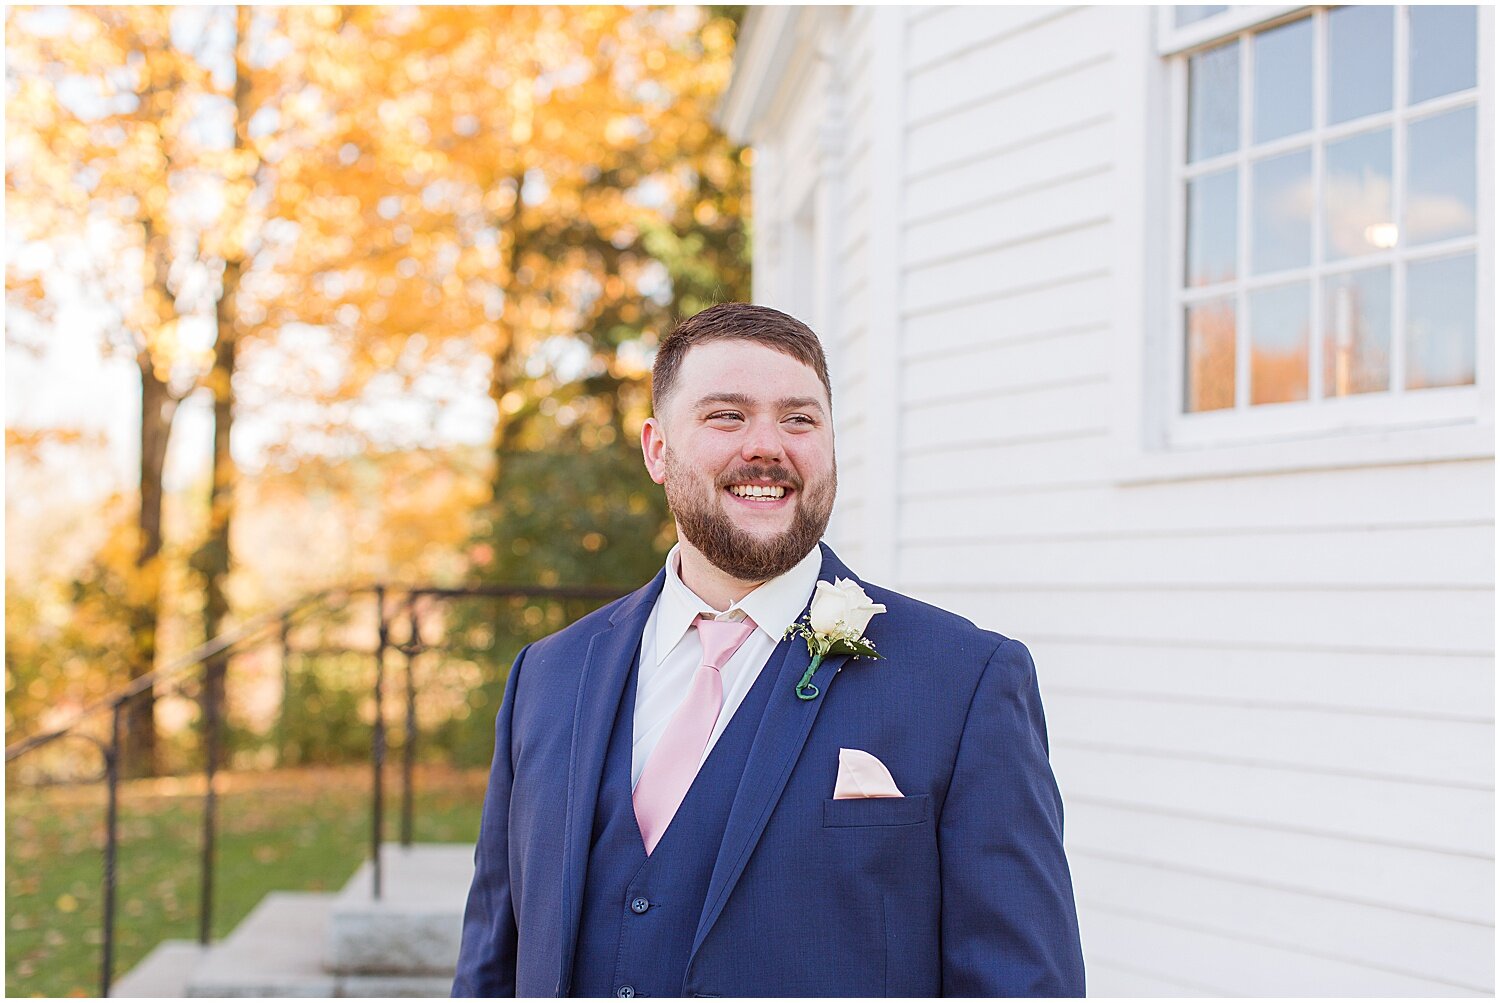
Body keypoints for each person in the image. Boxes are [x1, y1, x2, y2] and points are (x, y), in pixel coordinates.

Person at [453, 303, 1085, 997]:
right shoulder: (547, 676)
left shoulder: (965, 681)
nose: (767, 446)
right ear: (657, 449)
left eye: (799, 419)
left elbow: (1024, 982)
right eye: (727, 415)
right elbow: (491, 964)